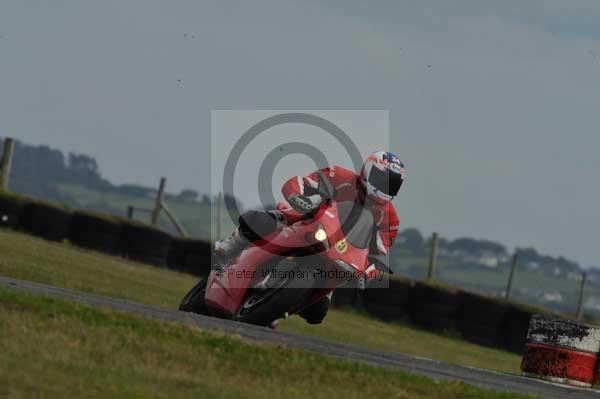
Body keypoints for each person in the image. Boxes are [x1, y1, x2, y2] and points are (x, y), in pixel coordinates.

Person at [213, 150, 406, 324]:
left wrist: (368, 273)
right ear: (368, 170)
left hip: (342, 256)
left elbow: (379, 254)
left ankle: (278, 312)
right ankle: (227, 247)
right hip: (312, 222)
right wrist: (297, 197)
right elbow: (303, 182)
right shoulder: (340, 176)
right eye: (382, 179)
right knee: (269, 219)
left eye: (392, 184)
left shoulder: (390, 217)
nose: (385, 187)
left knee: (317, 313)